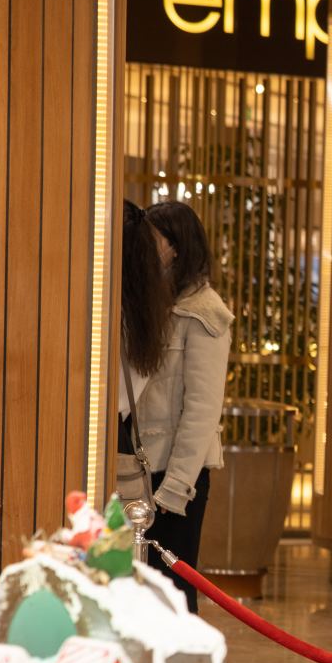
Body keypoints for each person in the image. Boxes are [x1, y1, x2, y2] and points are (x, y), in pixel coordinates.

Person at [118, 201, 232, 613]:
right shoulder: (150, 303)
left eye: (155, 241)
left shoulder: (205, 314)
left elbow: (202, 411)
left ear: (177, 247)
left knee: (173, 597)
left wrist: (175, 491)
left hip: (174, 479)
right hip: (139, 474)